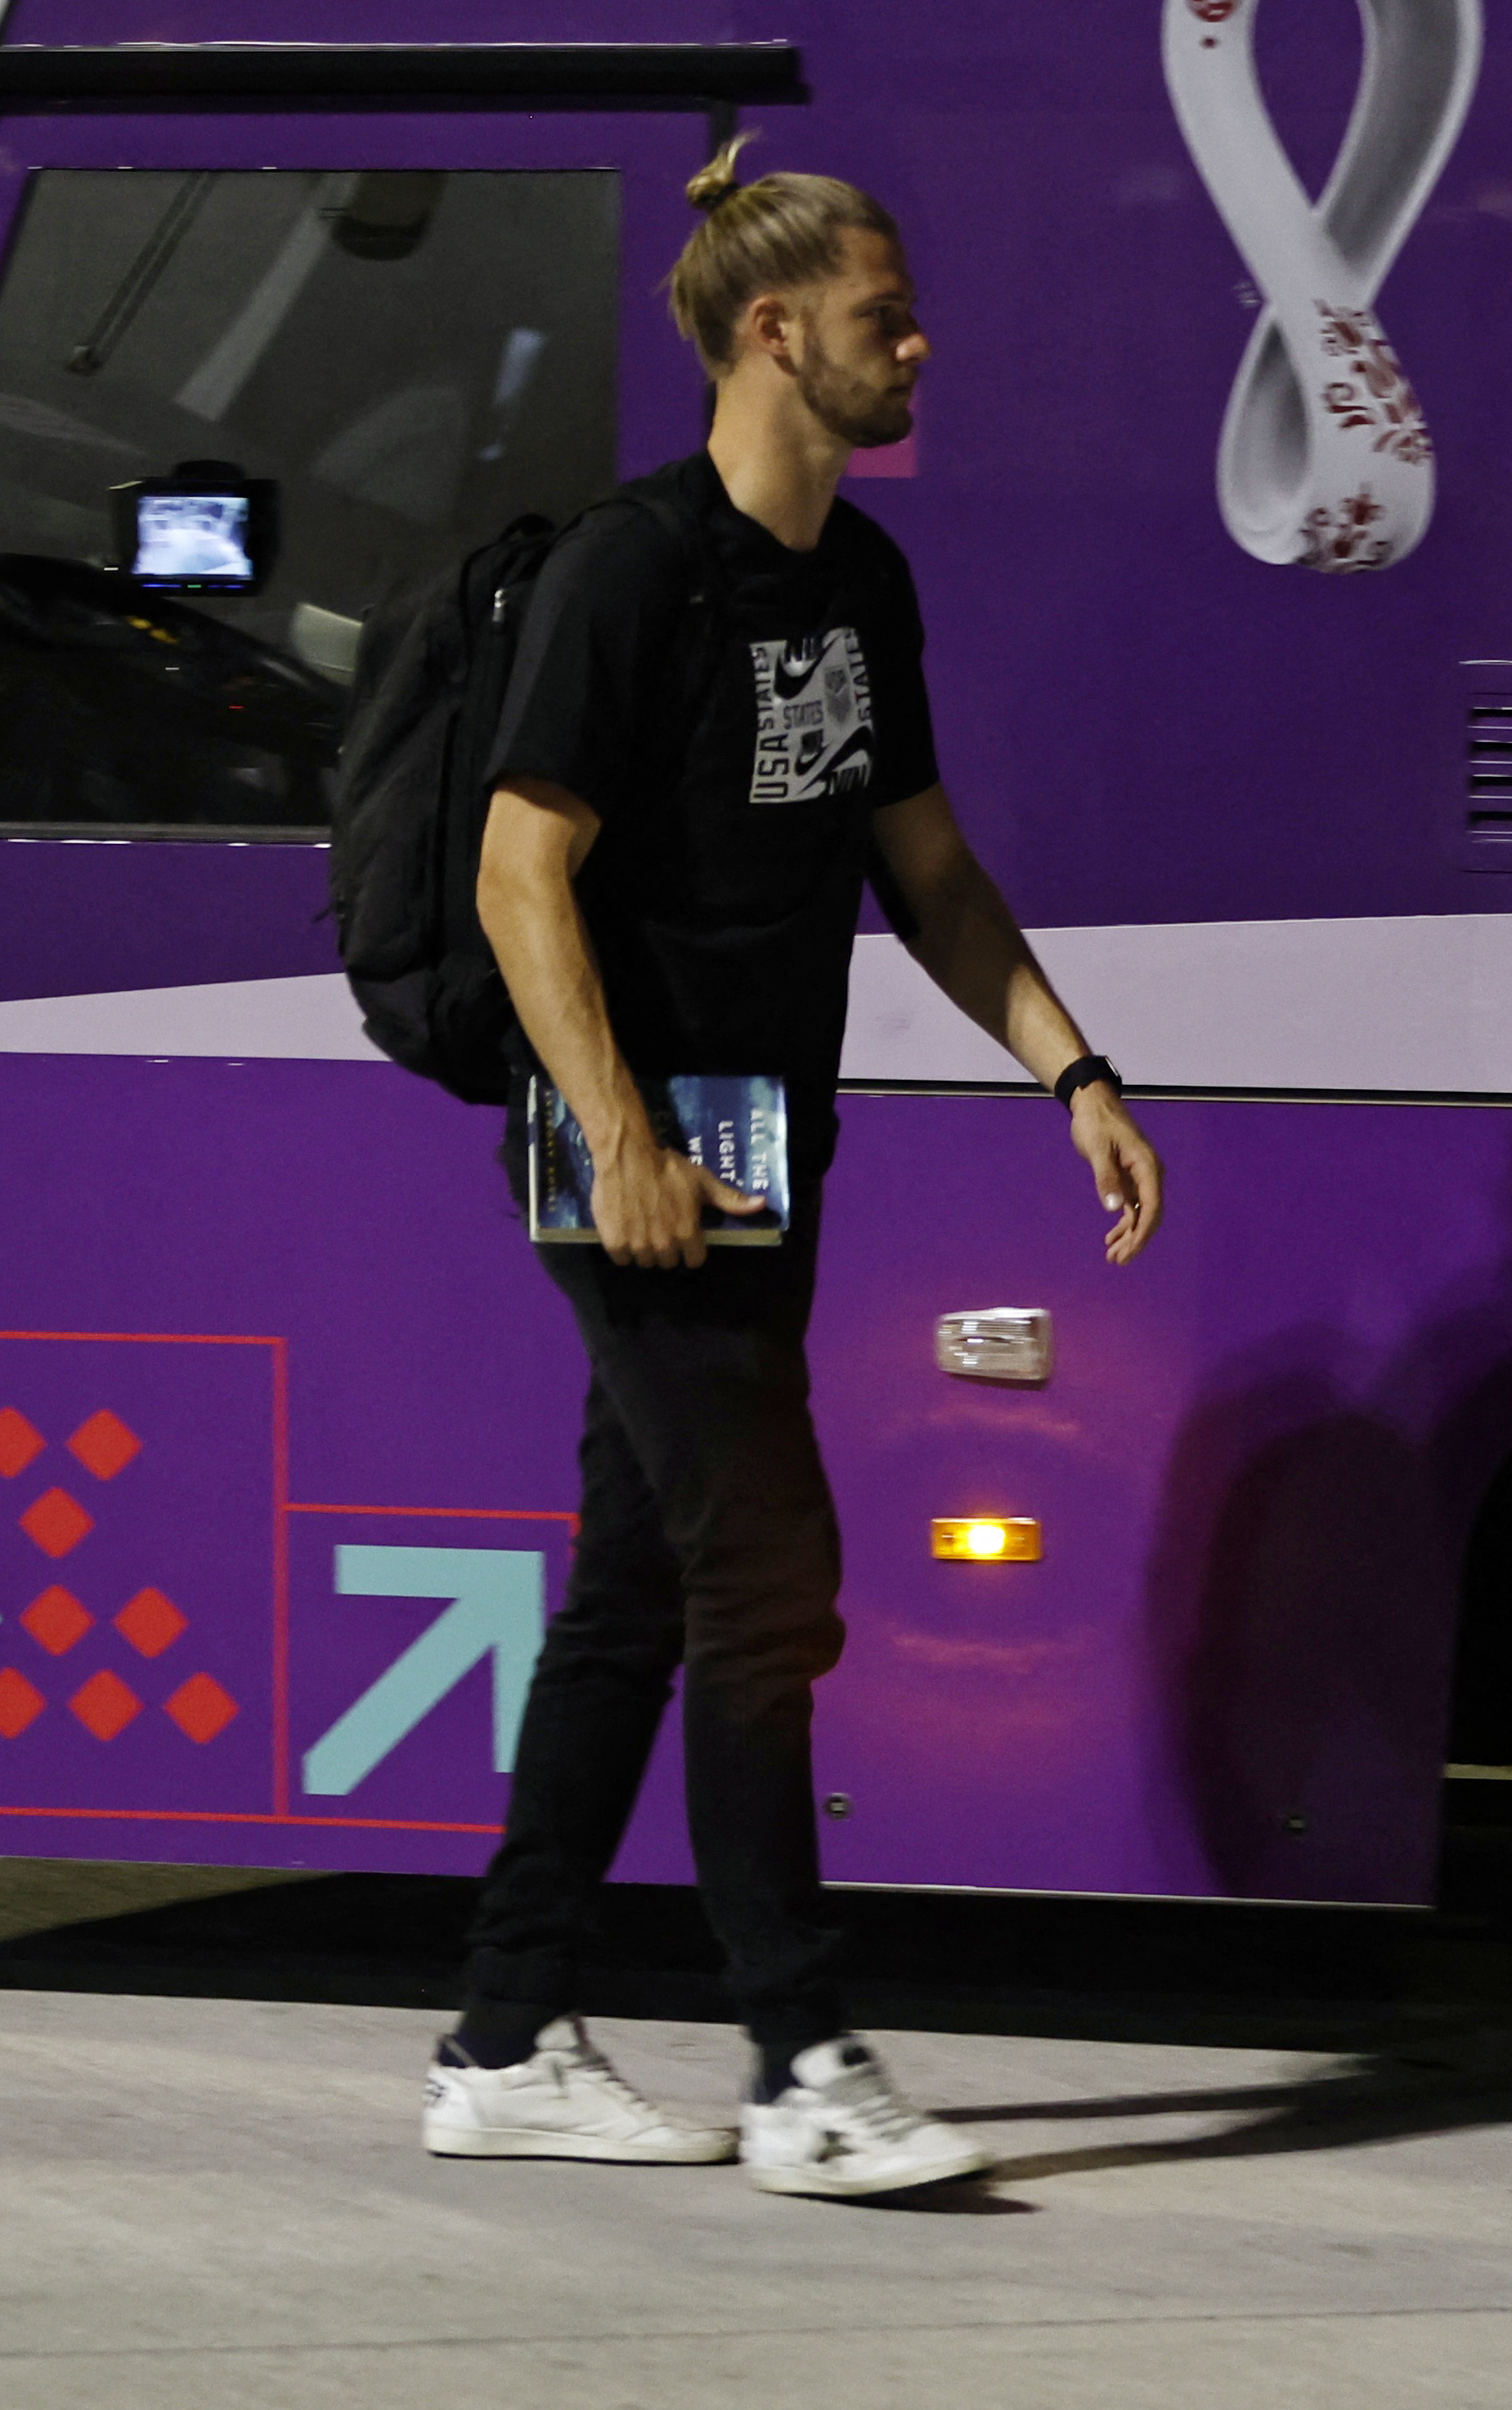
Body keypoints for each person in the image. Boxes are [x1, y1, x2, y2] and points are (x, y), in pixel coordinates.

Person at [421, 154, 1166, 2199]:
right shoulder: (631, 570)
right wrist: (623, 1136)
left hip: (769, 1147)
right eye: (883, 315)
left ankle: (502, 2035)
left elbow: (924, 871)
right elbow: (517, 871)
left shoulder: (858, 581)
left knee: (642, 1584)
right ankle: (803, 2051)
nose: (916, 346)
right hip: (638, 1157)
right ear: (775, 330)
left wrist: (1071, 1070)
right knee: (772, 1577)